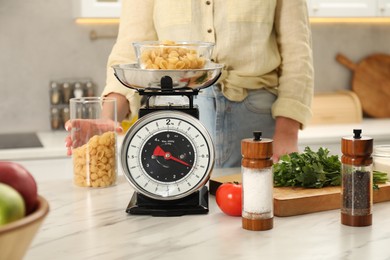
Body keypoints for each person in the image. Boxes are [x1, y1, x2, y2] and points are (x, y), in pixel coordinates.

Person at [66, 0, 314, 168]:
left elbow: (297, 52)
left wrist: (287, 133)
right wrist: (109, 118)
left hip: (257, 122)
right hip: (175, 118)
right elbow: (129, 53)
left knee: (257, 225)